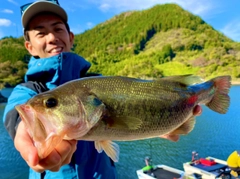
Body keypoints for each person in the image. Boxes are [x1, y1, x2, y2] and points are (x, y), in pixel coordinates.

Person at [2, 0, 202, 178]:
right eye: (41, 33)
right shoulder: (27, 91)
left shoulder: (98, 82)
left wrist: (161, 124)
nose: (52, 37)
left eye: (58, 29)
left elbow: (134, 109)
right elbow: (16, 113)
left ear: (71, 37)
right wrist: (23, 127)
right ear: (29, 47)